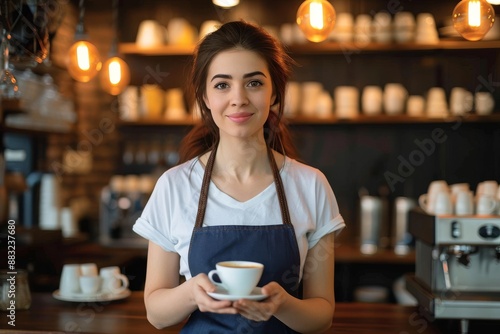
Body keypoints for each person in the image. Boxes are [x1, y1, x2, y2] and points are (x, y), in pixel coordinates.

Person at [133, 20, 345, 334]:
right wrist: (193, 293)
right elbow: (157, 314)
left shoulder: (311, 185)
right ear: (204, 97)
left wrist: (282, 304)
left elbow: (321, 315)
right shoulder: (174, 186)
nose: (238, 99)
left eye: (254, 83)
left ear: (274, 92)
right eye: (222, 85)